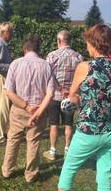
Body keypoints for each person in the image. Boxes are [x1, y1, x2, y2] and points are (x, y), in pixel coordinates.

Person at [58, 25, 111, 191]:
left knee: (68, 170)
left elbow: (72, 97)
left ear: (94, 43)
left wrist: (75, 99)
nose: (86, 46)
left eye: (88, 42)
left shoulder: (85, 67)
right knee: (105, 176)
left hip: (88, 130)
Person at [1, 36, 54, 183]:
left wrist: (26, 106)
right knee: (34, 141)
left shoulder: (15, 64)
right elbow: (50, 94)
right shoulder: (46, 65)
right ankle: (30, 174)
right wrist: (37, 111)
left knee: (13, 139)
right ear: (38, 50)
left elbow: (9, 91)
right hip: (39, 111)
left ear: (25, 49)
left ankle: (7, 170)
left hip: (18, 109)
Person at [43, 30, 83, 160]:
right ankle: (67, 150)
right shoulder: (78, 57)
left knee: (54, 124)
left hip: (55, 96)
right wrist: (70, 90)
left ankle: (53, 151)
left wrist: (60, 88)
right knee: (68, 124)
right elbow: (81, 77)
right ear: (69, 40)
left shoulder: (51, 56)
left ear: (59, 41)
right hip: (70, 97)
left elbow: (48, 76)